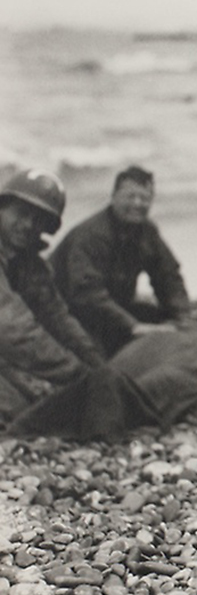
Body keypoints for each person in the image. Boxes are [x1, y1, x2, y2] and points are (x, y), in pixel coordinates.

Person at [49, 165, 191, 357]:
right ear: (114, 196)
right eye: (130, 196)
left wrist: (182, 318)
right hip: (67, 311)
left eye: (145, 198)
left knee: (169, 326)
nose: (137, 203)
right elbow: (86, 294)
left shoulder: (147, 232)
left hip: (111, 309)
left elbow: (168, 276)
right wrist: (131, 326)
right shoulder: (91, 236)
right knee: (95, 359)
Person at [0, 169, 105, 421]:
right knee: (16, 412)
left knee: (34, 406)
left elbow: (57, 317)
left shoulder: (28, 262)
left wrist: (100, 368)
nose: (28, 225)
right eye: (21, 213)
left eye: (38, 220)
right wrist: (77, 372)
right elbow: (14, 331)